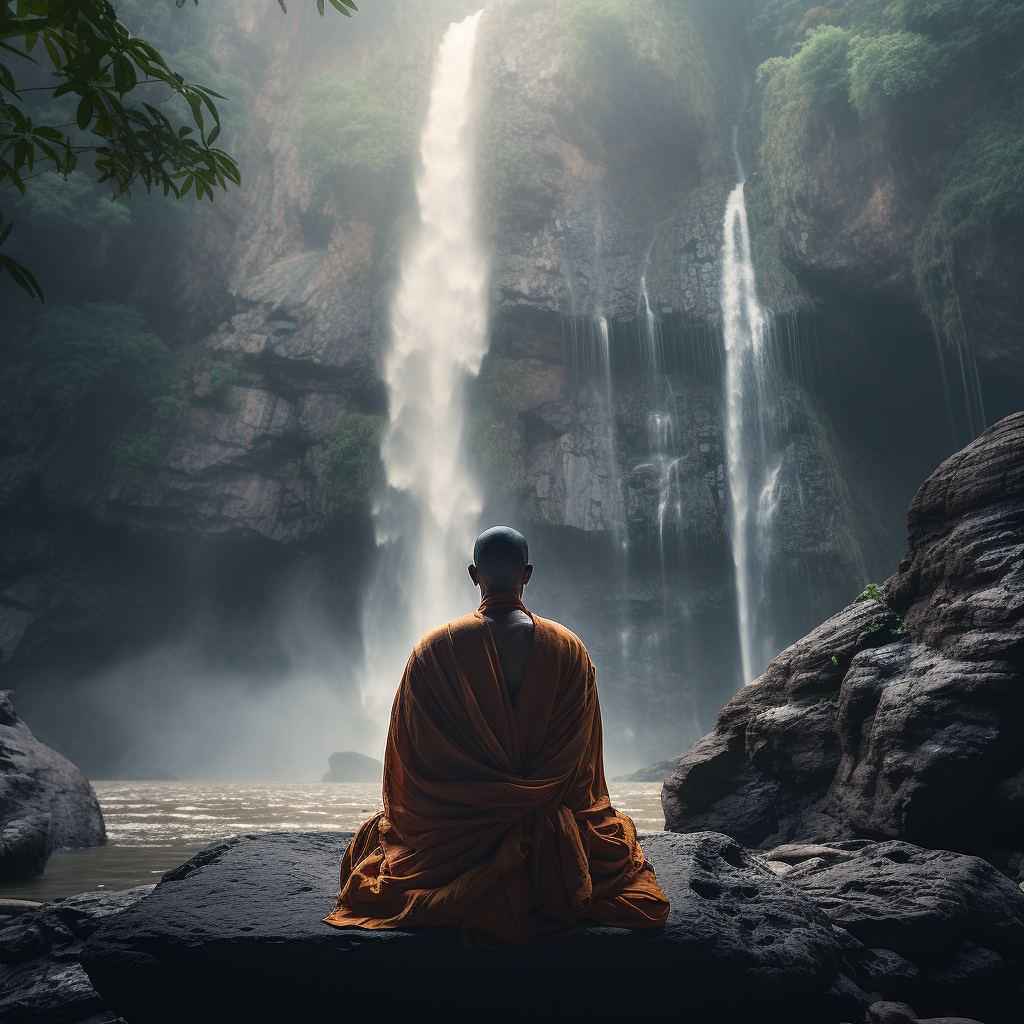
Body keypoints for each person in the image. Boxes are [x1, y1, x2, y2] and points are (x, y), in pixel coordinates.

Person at [323, 526, 669, 948]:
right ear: (528, 574)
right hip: (550, 834)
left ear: (474, 575)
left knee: (376, 840)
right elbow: (583, 774)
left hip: (455, 837)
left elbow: (409, 771)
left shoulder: (432, 651)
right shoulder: (570, 650)